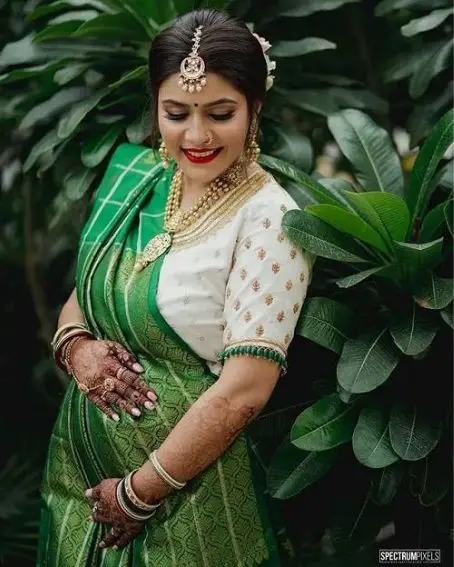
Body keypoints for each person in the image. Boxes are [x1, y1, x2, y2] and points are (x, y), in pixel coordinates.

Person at [37, 8, 312, 567]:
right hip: (81, 476)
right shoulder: (140, 180)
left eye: (221, 113)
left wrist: (140, 494)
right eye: (176, 112)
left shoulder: (272, 221)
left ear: (255, 110)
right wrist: (78, 348)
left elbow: (244, 392)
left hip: (187, 499)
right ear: (155, 107)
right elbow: (86, 294)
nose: (196, 135)